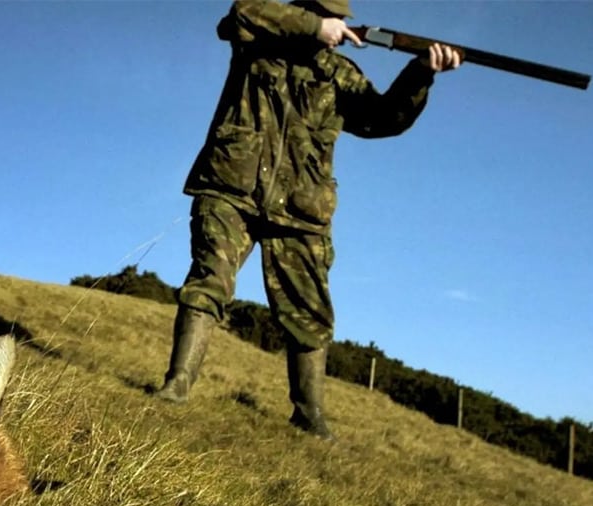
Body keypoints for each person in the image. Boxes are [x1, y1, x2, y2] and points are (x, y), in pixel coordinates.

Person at [152, 0, 461, 440]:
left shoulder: (340, 74)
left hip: (301, 210)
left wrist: (420, 75)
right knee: (209, 282)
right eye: (319, 11)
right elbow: (242, 11)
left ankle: (309, 415)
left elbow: (381, 120)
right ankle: (176, 386)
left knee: (309, 313)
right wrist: (315, 27)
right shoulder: (257, 42)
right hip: (231, 187)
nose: (333, 22)